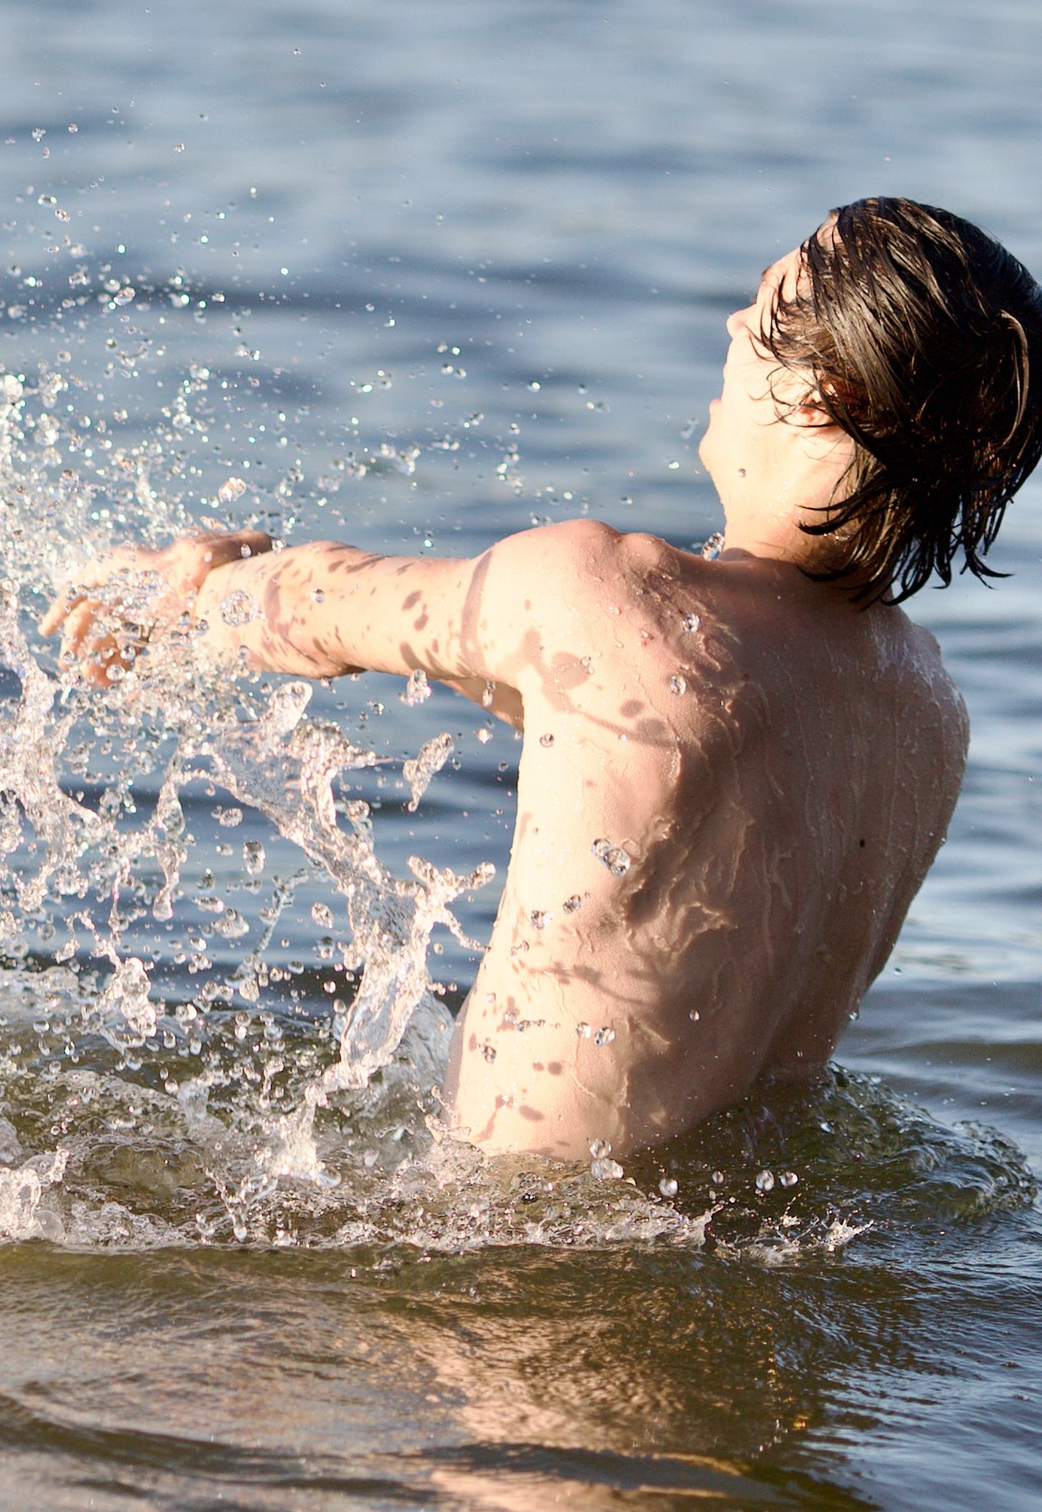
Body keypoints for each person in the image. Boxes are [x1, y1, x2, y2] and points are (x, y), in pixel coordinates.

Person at [53, 201, 1041, 1164]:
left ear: (821, 395)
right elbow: (631, 744)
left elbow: (318, 607)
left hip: (509, 1259)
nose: (735, 324)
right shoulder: (923, 704)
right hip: (747, 1250)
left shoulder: (614, 595)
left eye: (766, 301)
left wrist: (197, 582)